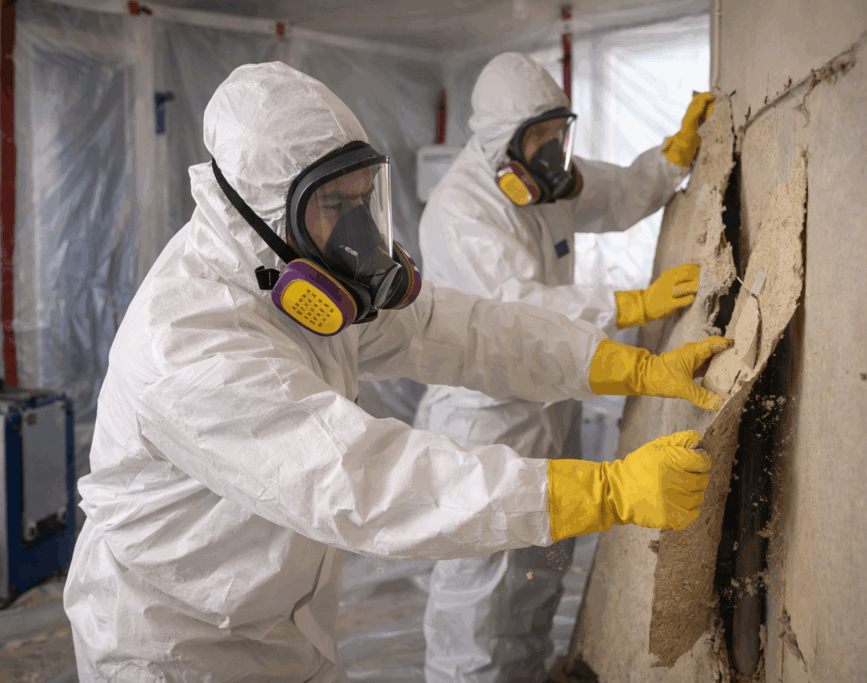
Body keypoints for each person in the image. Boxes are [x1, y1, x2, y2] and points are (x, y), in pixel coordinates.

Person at [62, 61, 729, 683]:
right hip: (178, 646)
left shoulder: (289, 263)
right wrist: (607, 490)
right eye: (335, 205)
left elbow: (460, 330)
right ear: (262, 214)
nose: (359, 231)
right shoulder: (187, 345)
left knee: (525, 583)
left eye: (365, 199)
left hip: (283, 616)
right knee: (480, 601)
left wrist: (623, 365)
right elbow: (360, 481)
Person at [414, 52, 717, 683]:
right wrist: (628, 305)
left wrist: (673, 157)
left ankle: (527, 672)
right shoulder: (460, 210)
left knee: (544, 561)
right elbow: (514, 312)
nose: (555, 152)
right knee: (483, 581)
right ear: (503, 141)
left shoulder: (541, 180)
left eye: (560, 133)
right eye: (542, 138)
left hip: (550, 402)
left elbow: (617, 195)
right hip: (488, 419)